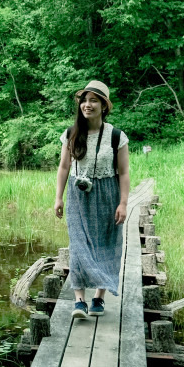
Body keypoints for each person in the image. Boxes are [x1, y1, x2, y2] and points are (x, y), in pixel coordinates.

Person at [52, 80, 131, 319]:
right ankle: (79, 301)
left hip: (108, 192)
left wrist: (124, 203)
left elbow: (124, 172)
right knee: (78, 245)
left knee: (106, 244)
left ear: (104, 106)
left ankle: (99, 297)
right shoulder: (71, 133)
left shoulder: (116, 136)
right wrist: (58, 197)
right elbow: (64, 167)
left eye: (94, 100)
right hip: (78, 194)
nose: (88, 105)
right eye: (84, 100)